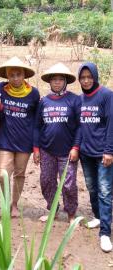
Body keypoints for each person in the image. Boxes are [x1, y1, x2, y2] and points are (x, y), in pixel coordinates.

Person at [33, 63, 81, 225]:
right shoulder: (44, 101)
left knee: (68, 184)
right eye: (54, 79)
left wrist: (75, 147)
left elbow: (80, 127)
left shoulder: (74, 100)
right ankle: (53, 210)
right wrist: (36, 149)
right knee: (47, 181)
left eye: (61, 79)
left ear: (66, 81)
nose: (57, 82)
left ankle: (71, 213)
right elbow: (37, 126)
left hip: (68, 151)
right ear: (50, 82)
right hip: (47, 150)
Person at [0, 56, 40, 217]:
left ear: (24, 75)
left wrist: (36, 145)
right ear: (7, 76)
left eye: (18, 74)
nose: (15, 78)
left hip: (25, 142)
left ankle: (14, 205)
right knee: (2, 174)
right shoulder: (0, 90)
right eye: (11, 75)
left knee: (19, 174)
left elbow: (36, 121)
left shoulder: (33, 93)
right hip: (5, 140)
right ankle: (5, 204)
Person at [78, 62, 113, 252]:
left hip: (103, 154)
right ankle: (98, 217)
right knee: (92, 188)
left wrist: (109, 151)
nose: (86, 80)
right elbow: (78, 125)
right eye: (82, 77)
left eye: (89, 76)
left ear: (95, 76)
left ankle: (106, 233)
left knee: (105, 192)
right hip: (86, 153)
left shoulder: (106, 95)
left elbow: (111, 125)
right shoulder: (80, 99)